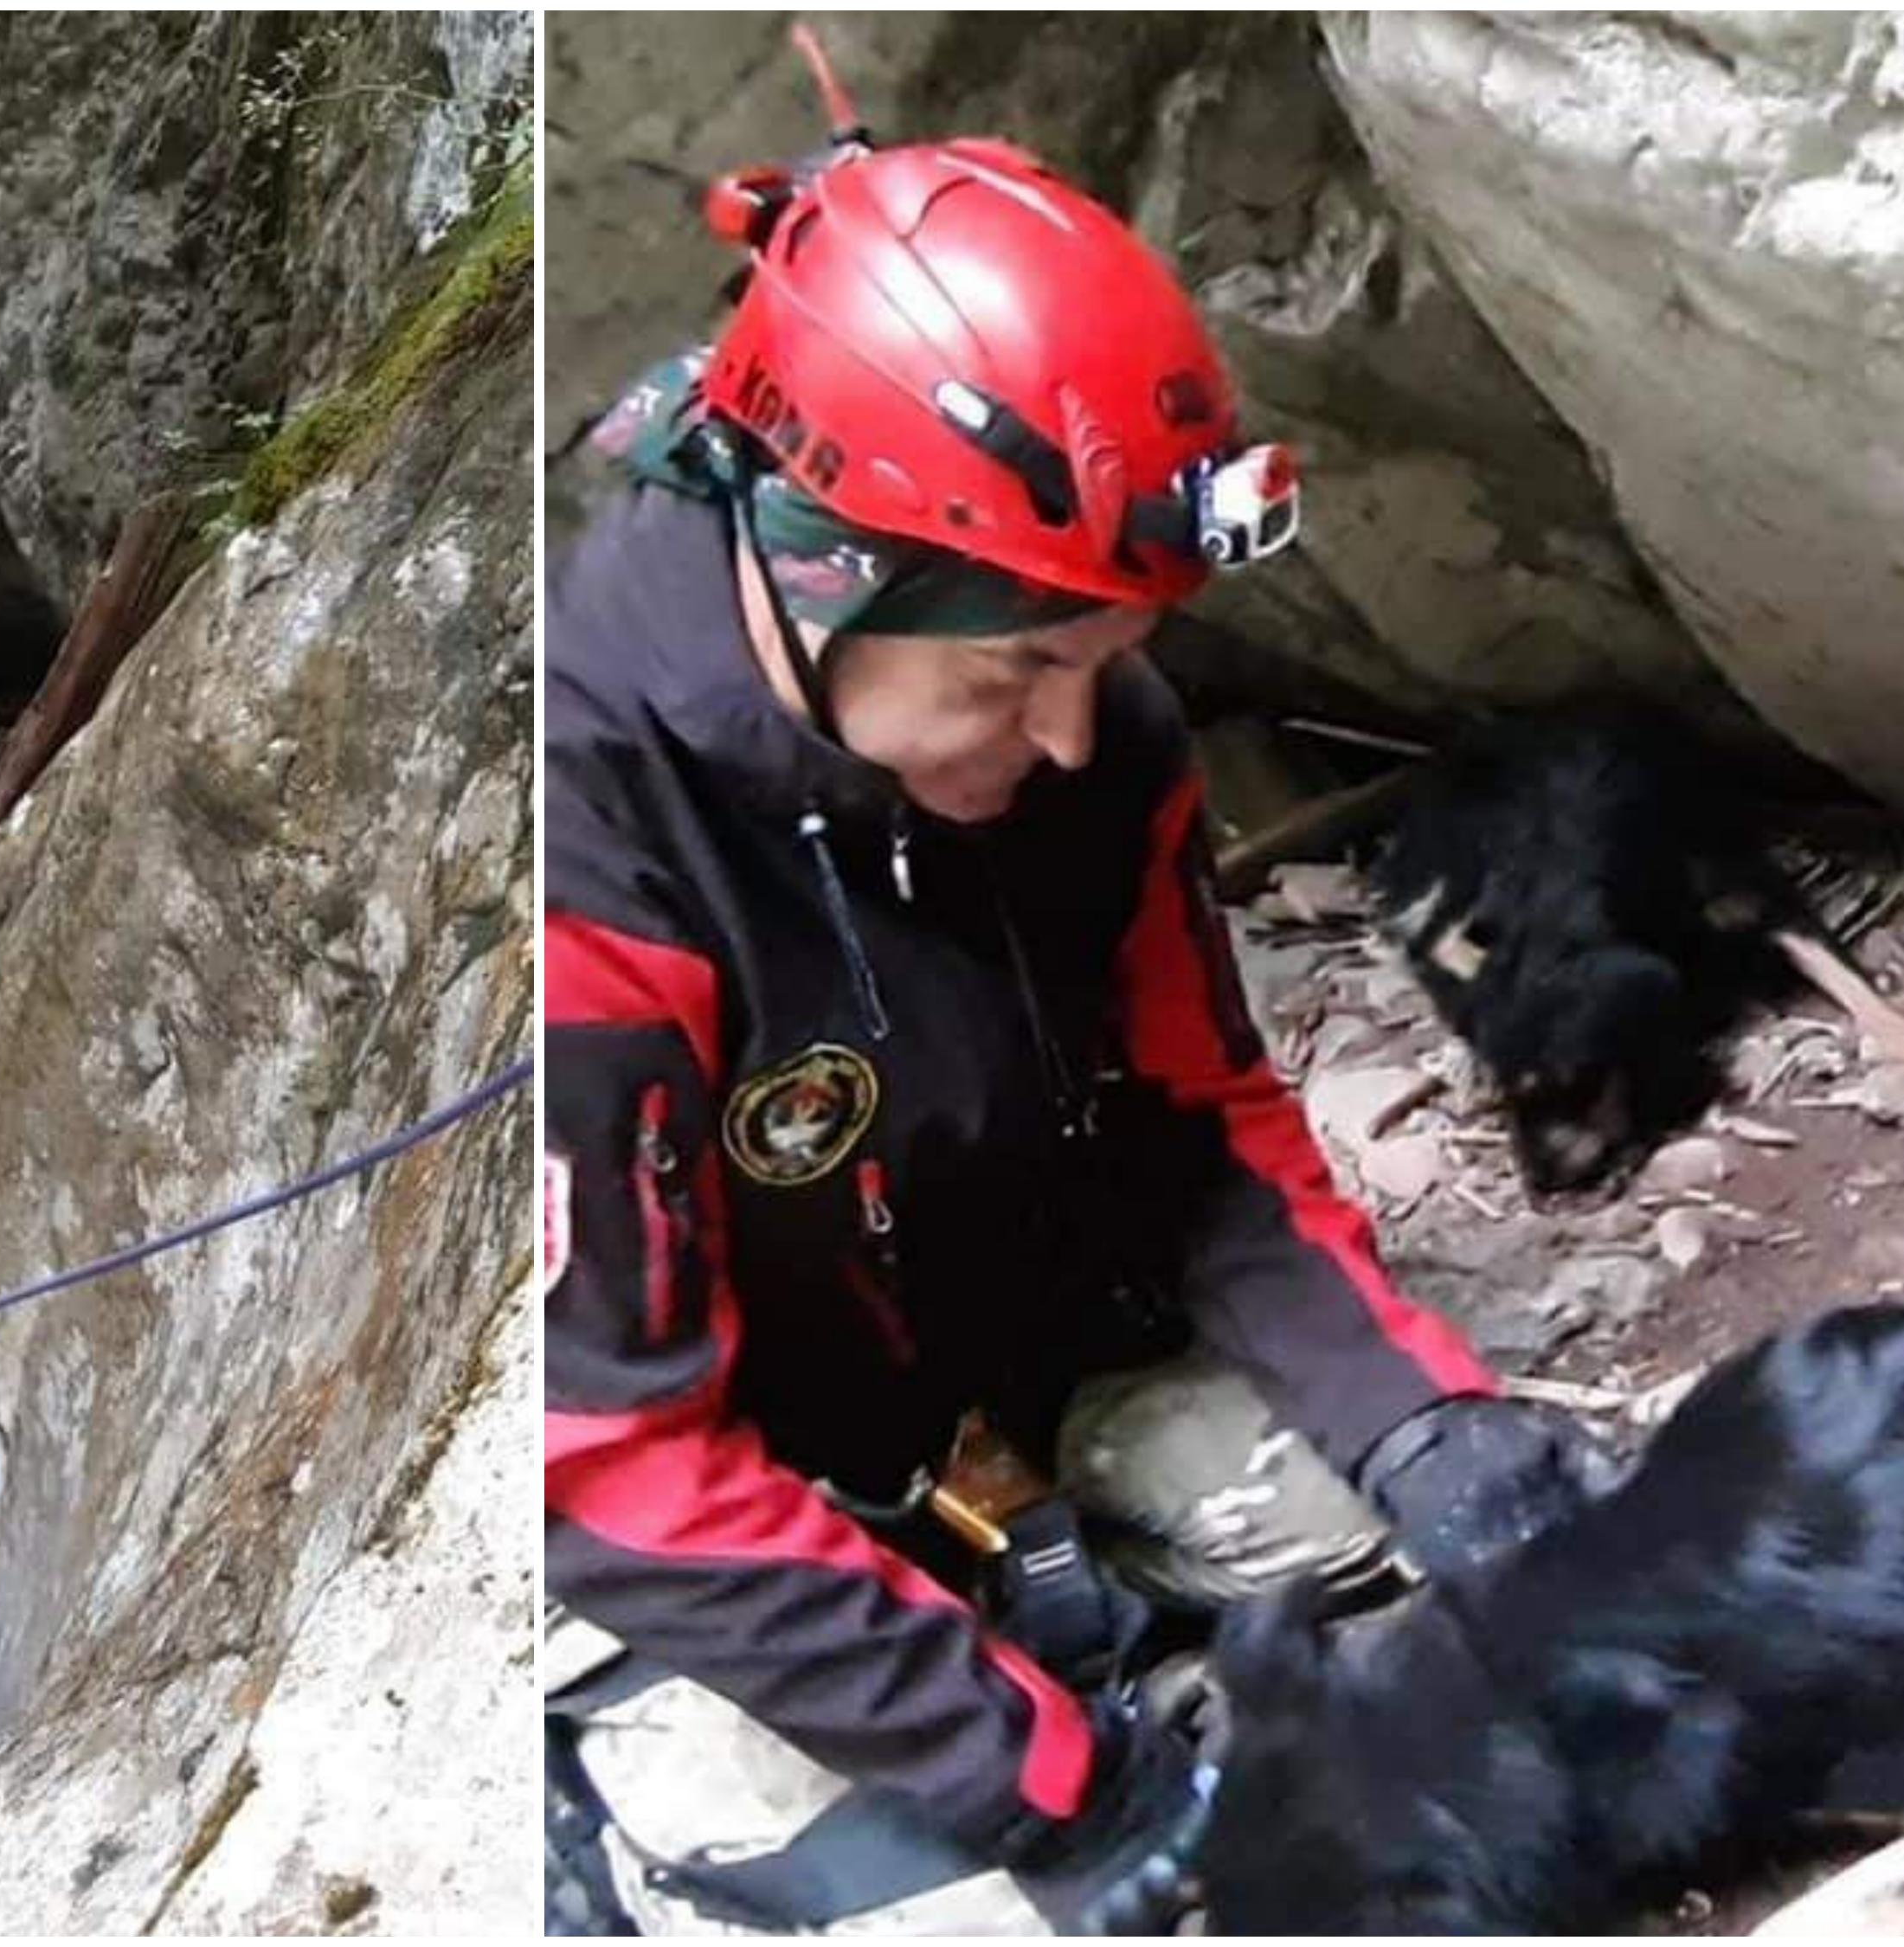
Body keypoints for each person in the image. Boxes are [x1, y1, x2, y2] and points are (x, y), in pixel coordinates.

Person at [541, 114, 1609, 1934]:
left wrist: (1433, 1430)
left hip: (1004, 1353)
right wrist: (1062, 1779)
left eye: (1104, 659)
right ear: (823, 581)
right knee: (979, 1902)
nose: (1064, 740)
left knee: (1499, 1568)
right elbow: (609, 1452)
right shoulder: (590, 870)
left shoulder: (1104, 751)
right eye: (1014, 670)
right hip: (725, 1497)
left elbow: (1202, 1118)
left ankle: (1055, 1571)